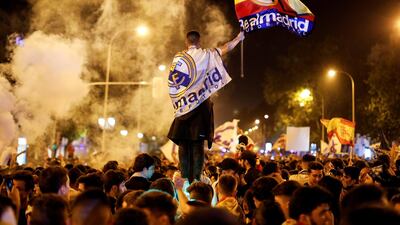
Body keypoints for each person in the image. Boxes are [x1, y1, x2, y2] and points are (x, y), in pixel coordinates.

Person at [167, 30, 244, 183]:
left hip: (184, 109)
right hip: (200, 107)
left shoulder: (179, 58)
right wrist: (238, 38)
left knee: (183, 143)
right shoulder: (206, 54)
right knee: (197, 145)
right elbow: (225, 48)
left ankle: (184, 177)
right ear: (199, 41)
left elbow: (173, 83)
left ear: (186, 42)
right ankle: (196, 181)